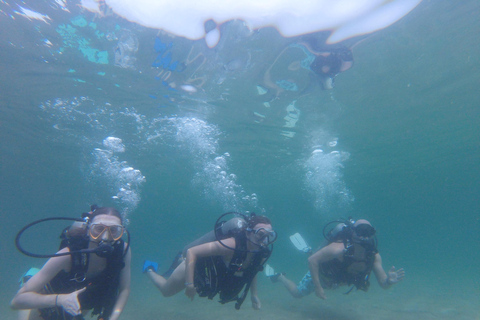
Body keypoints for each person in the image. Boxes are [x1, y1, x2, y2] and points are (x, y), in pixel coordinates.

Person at [11, 206, 132, 320]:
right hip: (48, 300)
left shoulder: (123, 251)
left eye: (114, 230)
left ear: (121, 232)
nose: (105, 237)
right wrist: (60, 299)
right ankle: (29, 278)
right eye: (98, 229)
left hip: (78, 303)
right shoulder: (68, 255)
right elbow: (17, 301)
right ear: (89, 229)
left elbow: (124, 290)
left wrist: (113, 318)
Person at [144, 213, 276, 310]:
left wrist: (254, 295)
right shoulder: (231, 245)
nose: (264, 241)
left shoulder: (261, 253)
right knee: (166, 291)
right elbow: (192, 252)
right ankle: (150, 269)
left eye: (269, 236)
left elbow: (253, 270)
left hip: (207, 269)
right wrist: (189, 284)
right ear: (248, 233)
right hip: (195, 264)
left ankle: (177, 260)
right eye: (260, 234)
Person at [270, 219, 404, 299]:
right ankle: (281, 277)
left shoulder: (373, 255)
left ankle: (311, 251)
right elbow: (312, 261)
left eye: (367, 232)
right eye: (360, 231)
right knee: (297, 294)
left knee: (318, 256)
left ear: (372, 234)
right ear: (353, 232)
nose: (363, 237)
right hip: (323, 277)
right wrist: (318, 287)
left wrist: (389, 281)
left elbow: (383, 284)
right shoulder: (338, 248)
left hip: (337, 280)